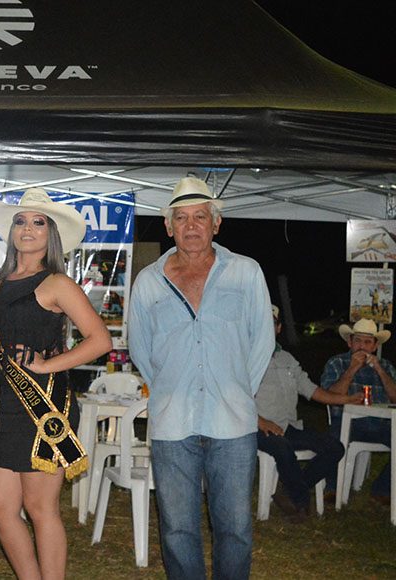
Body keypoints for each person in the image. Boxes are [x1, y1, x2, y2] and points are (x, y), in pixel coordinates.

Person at [128, 177, 274, 580]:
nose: (191, 226)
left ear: (216, 223)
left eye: (200, 217)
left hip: (233, 423)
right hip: (172, 423)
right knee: (177, 530)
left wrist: (236, 390)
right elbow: (140, 349)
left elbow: (262, 341)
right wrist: (171, 390)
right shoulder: (148, 281)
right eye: (181, 218)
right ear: (168, 226)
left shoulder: (246, 272)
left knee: (235, 530)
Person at [0, 189, 111, 579]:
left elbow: (100, 340)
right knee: (1, 508)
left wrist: (49, 364)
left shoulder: (57, 283)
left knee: (40, 508)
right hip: (7, 409)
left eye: (38, 222)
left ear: (50, 233)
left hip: (45, 407)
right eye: (21, 221)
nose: (28, 229)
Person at [256, 305, 358, 522]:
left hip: (287, 426)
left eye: (271, 323)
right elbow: (235, 398)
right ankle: (301, 504)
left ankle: (289, 492)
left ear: (278, 328)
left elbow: (312, 391)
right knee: (281, 446)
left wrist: (347, 399)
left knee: (334, 447)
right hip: (256, 427)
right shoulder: (246, 357)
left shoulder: (287, 359)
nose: (265, 327)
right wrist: (261, 421)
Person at [320, 318, 396, 503]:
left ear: (375, 346)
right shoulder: (337, 362)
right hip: (346, 422)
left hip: (381, 424)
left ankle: (382, 489)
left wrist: (379, 370)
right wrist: (352, 369)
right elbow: (330, 396)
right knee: (334, 440)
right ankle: (333, 488)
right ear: (350, 342)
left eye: (368, 342)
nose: (362, 346)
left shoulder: (385, 366)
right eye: (358, 341)